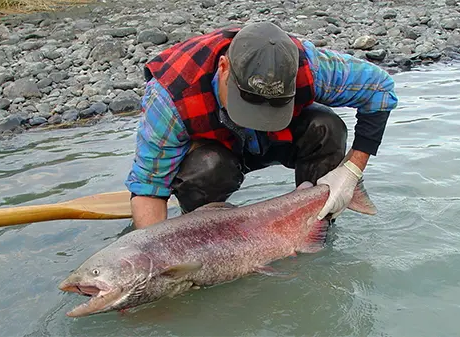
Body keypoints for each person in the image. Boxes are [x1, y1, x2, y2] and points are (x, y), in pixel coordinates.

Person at [124, 21, 398, 229]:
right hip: (218, 154)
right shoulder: (170, 94)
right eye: (248, 105)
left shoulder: (312, 66)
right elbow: (150, 188)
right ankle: (206, 235)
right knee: (207, 167)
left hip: (279, 141)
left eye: (272, 106)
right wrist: (156, 256)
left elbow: (381, 89)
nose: (259, 118)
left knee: (326, 126)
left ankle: (316, 226)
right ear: (223, 68)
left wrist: (351, 171)